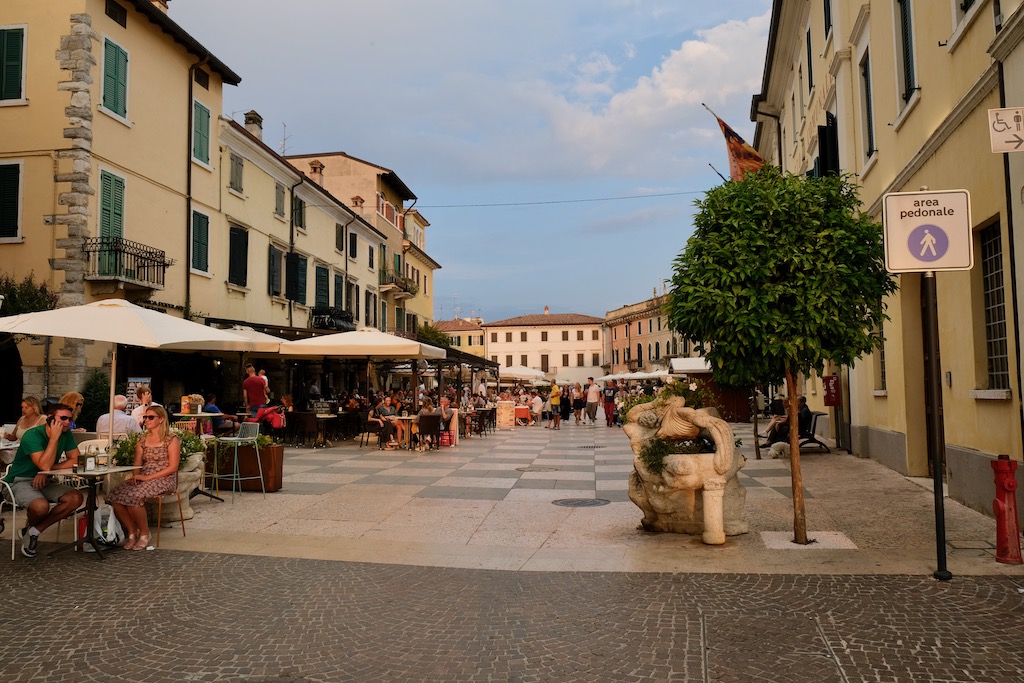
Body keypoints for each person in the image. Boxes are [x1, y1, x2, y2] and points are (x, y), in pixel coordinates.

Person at [1, 403, 85, 558]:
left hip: (46, 479)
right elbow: (44, 464)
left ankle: (33, 531)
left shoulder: (67, 434)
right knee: (41, 507)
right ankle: (30, 532)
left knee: (75, 497)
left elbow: (76, 460)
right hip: (19, 480)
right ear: (50, 419)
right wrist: (54, 439)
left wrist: (46, 472)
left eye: (70, 419)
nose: (67, 422)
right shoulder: (32, 435)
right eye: (63, 418)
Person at [106, 405, 179, 551]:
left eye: (150, 417)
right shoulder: (142, 439)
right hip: (144, 475)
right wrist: (136, 477)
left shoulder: (171, 439)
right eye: (145, 417)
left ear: (161, 419)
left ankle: (145, 533)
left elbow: (173, 467)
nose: (146, 420)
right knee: (114, 496)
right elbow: (137, 462)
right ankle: (132, 531)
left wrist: (148, 478)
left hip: (164, 477)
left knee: (135, 496)